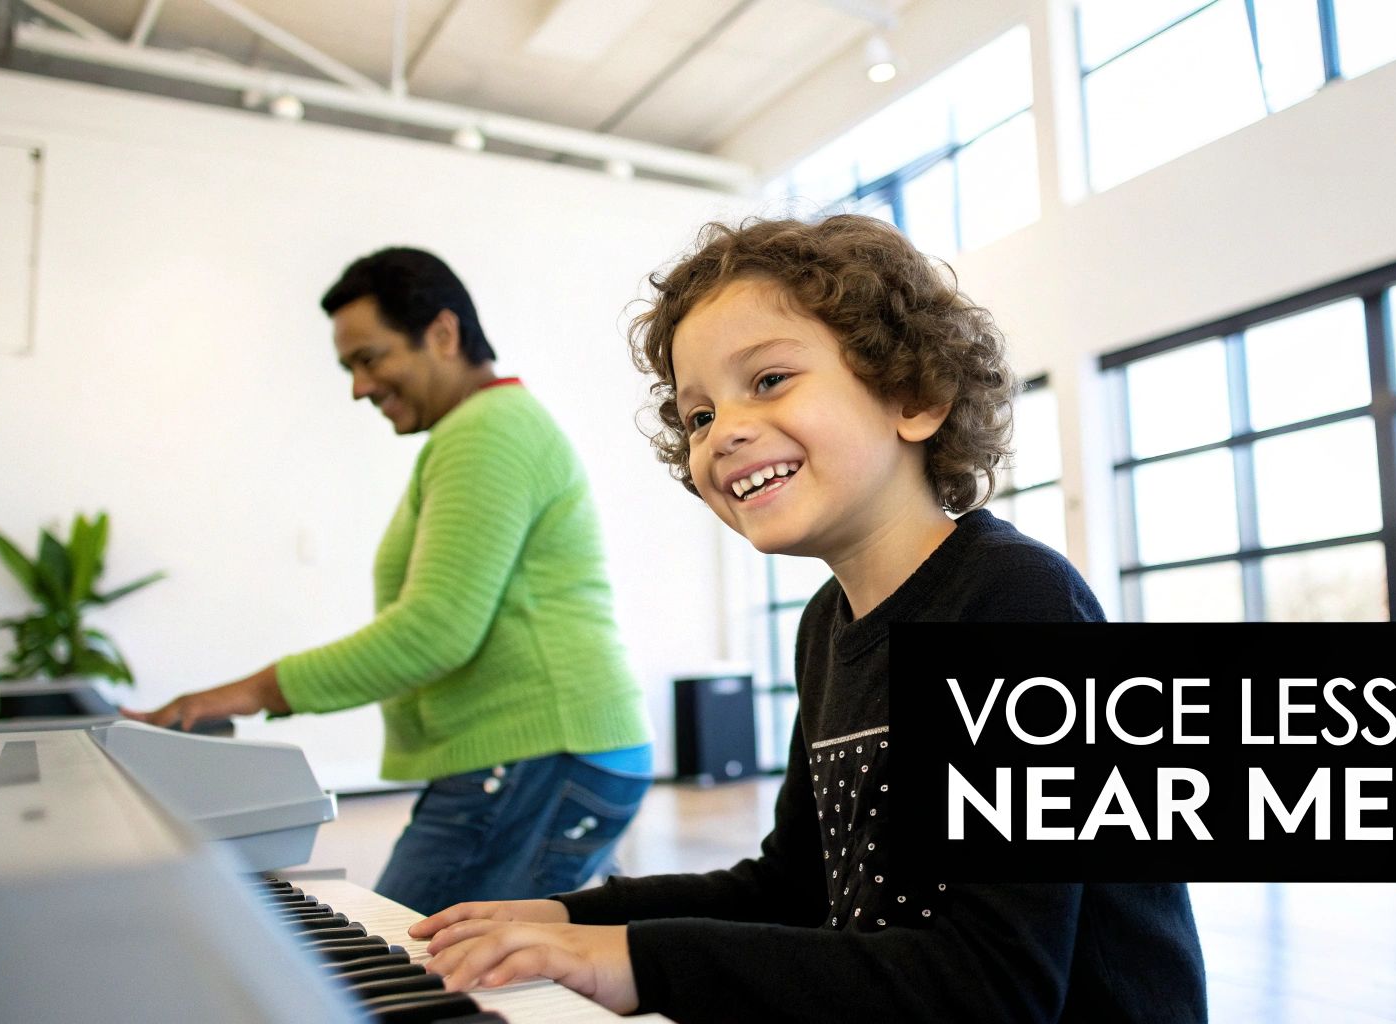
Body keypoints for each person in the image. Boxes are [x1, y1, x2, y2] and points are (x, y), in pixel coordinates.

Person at [403, 218, 1207, 1021]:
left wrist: (640, 963)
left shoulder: (1014, 602)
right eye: (698, 416)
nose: (727, 431)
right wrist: (574, 916)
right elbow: (792, 886)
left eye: (770, 379)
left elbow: (998, 984)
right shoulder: (827, 625)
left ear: (915, 395)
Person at [125, 247, 654, 913]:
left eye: (369, 358)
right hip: (545, 754)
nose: (358, 386)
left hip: (541, 754)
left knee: (408, 974)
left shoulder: (486, 431)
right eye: (349, 366)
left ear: (442, 334)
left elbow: (434, 631)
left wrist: (241, 693)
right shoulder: (484, 428)